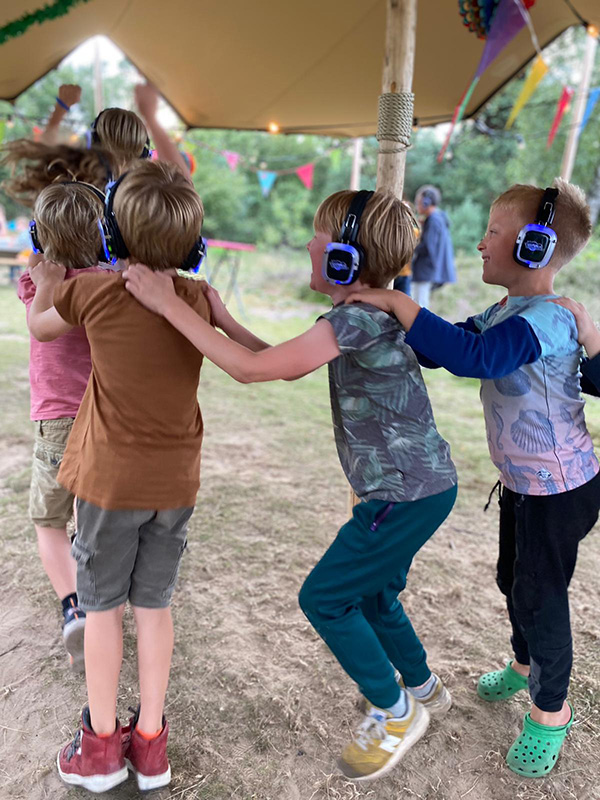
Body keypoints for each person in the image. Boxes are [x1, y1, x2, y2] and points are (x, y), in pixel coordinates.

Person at [123, 189, 458, 783]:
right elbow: (281, 359)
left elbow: (252, 371)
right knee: (375, 594)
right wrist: (222, 319)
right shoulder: (362, 316)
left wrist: (166, 304)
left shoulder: (355, 319)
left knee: (325, 598)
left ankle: (395, 709)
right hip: (423, 489)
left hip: (402, 495)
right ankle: (425, 688)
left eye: (316, 233)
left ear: (342, 259)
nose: (307, 242)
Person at [345, 179, 599, 778]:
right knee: (513, 578)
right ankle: (523, 662)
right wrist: (389, 298)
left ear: (534, 247)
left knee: (541, 595)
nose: (480, 244)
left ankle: (550, 711)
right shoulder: (507, 310)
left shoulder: (550, 319)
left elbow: (475, 359)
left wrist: (400, 305)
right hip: (524, 484)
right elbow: (448, 346)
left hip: (561, 489)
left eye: (492, 232)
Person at [27, 160, 210, 793]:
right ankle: (151, 744)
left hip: (108, 485)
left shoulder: (96, 292)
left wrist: (48, 279)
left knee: (102, 610)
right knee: (154, 608)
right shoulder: (199, 298)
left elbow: (38, 326)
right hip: (175, 482)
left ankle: (102, 747)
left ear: (115, 235)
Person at [17, 181, 113, 672]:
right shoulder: (105, 283)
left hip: (55, 419)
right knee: (90, 520)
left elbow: (38, 317)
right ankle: (101, 606)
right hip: (104, 416)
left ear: (41, 235)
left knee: (49, 522)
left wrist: (46, 270)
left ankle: (74, 606)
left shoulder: (37, 284)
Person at [410, 185, 455, 309]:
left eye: (419, 202)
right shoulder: (437, 218)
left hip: (426, 270)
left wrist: (408, 248)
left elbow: (427, 247)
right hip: (428, 269)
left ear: (426, 202)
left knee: (419, 306)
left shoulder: (434, 220)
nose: (417, 204)